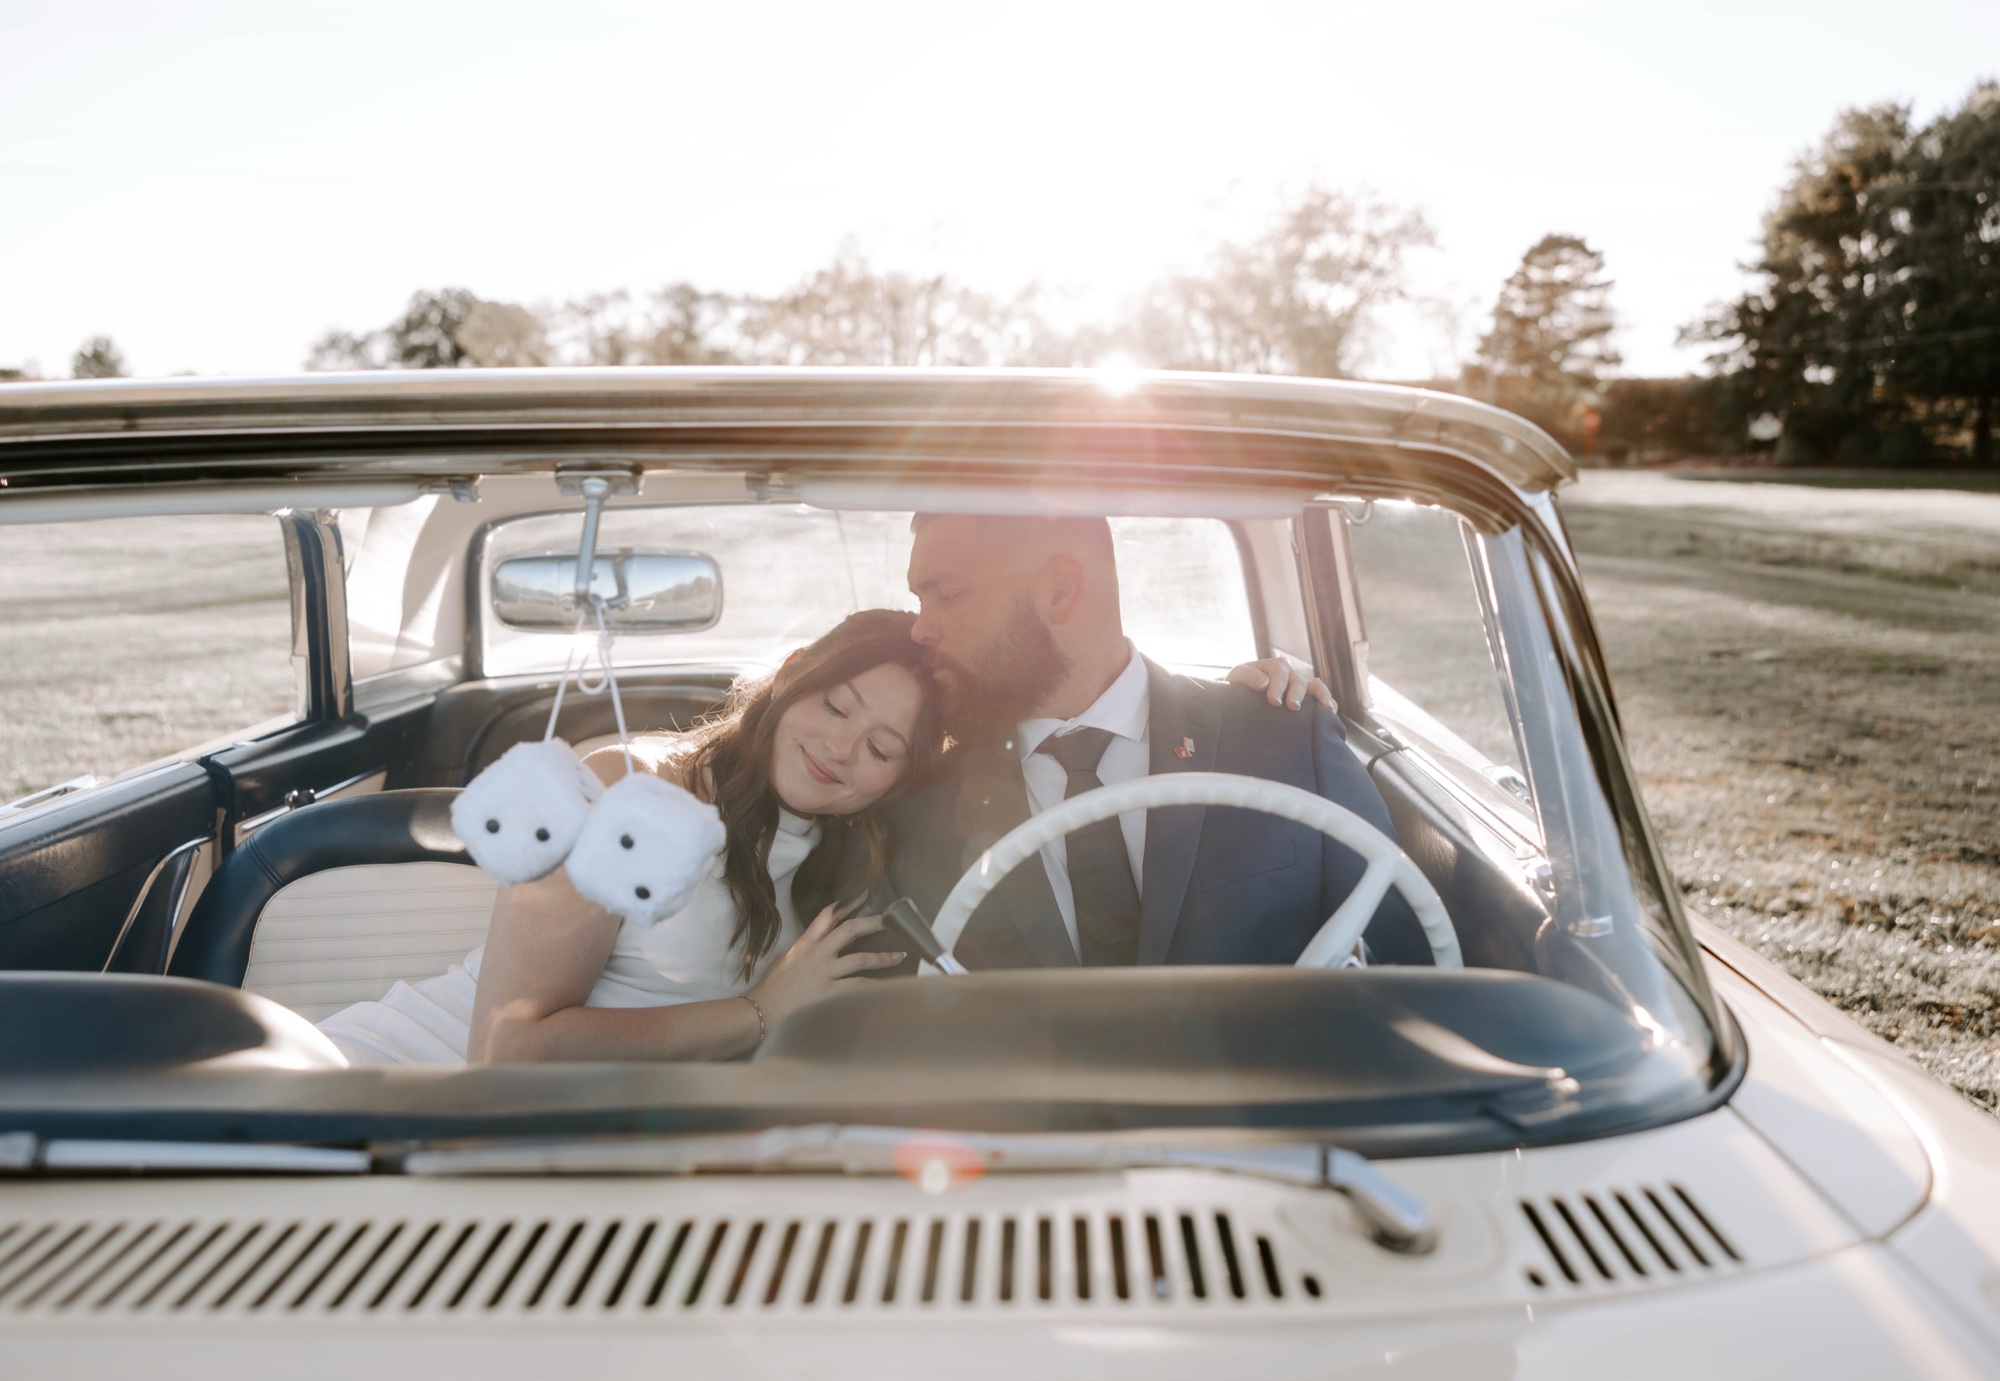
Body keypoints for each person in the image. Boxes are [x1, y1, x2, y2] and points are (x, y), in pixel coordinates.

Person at [318, 609, 939, 1066]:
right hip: (402, 1082)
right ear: (788, 674)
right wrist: (760, 1014)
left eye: (882, 748)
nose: (841, 748)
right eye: (835, 707)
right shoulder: (631, 788)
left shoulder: (860, 858)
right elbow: (509, 1048)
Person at [882, 513, 1428, 971]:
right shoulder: (920, 810)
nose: (921, 630)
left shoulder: (1285, 738)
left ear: (1059, 591)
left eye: (948, 595)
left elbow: (1407, 965)